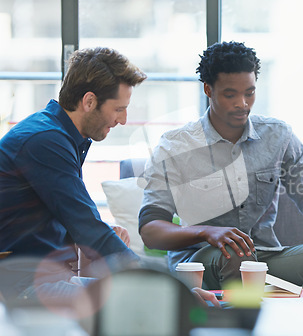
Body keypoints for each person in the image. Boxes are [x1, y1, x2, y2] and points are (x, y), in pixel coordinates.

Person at [0, 47, 219, 308]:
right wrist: (161, 288)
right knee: (146, 303)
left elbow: (63, 223)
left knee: (150, 299)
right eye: (119, 109)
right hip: (21, 285)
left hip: (44, 278)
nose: (124, 120)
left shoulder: (59, 135)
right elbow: (86, 226)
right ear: (89, 101)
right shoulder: (45, 141)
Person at [139, 41, 303, 290]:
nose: (242, 103)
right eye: (230, 94)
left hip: (264, 258)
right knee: (236, 254)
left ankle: (298, 320)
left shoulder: (278, 136)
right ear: (208, 89)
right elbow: (151, 230)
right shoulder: (175, 146)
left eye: (249, 93)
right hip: (202, 261)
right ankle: (243, 322)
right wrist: (206, 232)